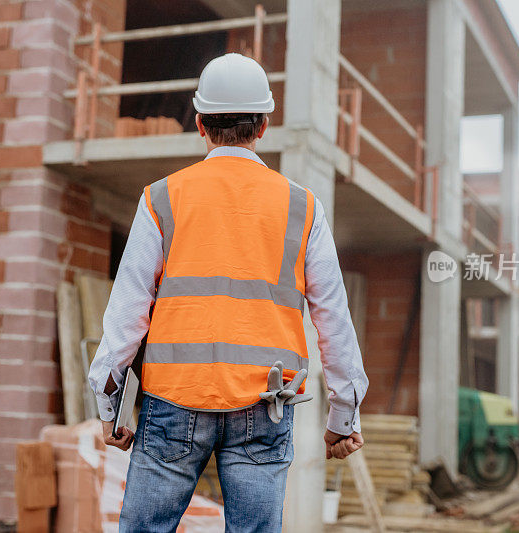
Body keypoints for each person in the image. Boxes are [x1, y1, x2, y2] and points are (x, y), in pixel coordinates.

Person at [88, 53, 368, 532]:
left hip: (174, 401)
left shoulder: (160, 199)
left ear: (200, 123)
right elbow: (334, 320)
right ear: (263, 126)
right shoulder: (302, 208)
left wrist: (109, 402)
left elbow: (128, 308)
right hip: (266, 403)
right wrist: (343, 416)